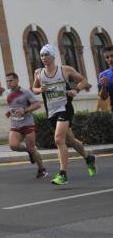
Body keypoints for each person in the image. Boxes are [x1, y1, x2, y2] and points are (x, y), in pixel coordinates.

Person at [31, 44, 96, 185]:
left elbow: (84, 81)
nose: (43, 58)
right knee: (70, 141)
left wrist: (76, 90)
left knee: (59, 140)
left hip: (65, 107)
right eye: (41, 55)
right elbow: (33, 88)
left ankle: (63, 174)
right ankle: (88, 158)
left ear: (53, 56)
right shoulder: (38, 72)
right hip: (51, 111)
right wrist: (39, 89)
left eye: (46, 55)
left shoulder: (65, 70)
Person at [4, 72, 47, 179]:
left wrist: (25, 110)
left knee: (32, 147)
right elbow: (14, 106)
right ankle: (29, 151)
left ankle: (42, 169)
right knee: (13, 146)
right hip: (15, 124)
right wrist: (9, 112)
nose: (8, 83)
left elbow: (37, 104)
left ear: (17, 81)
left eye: (10, 81)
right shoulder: (8, 94)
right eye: (7, 81)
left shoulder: (25, 92)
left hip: (28, 124)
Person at [95, 45, 113, 113]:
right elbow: (103, 97)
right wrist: (104, 86)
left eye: (112, 56)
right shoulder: (103, 75)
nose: (110, 59)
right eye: (107, 57)